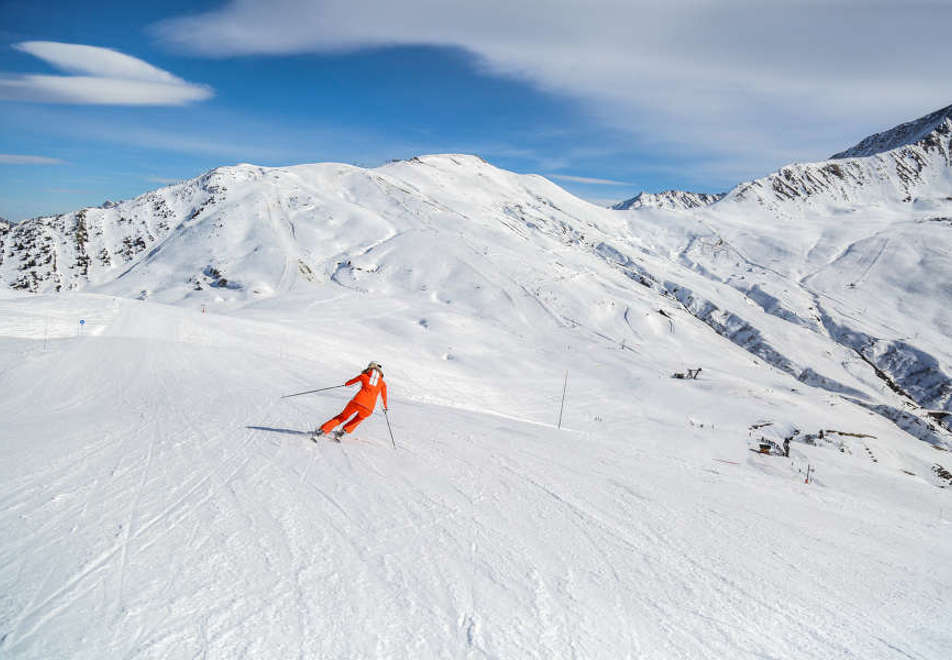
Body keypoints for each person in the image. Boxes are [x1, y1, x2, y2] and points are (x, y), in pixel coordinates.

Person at [315, 362, 388, 440]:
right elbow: (383, 397)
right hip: (369, 407)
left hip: (357, 401)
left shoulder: (363, 376)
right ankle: (343, 431)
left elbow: (350, 384)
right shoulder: (382, 383)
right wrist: (384, 408)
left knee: (343, 416)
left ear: (369, 368)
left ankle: (323, 430)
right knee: (359, 418)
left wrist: (346, 384)